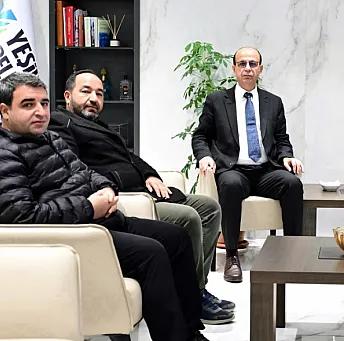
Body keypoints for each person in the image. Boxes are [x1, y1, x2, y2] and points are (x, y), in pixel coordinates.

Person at [0, 73, 207, 341]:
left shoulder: (50, 138)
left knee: (176, 237)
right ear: (5, 110)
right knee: (152, 253)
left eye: (44, 104)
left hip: (100, 222)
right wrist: (88, 207)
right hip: (74, 236)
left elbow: (86, 171)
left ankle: (191, 331)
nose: (40, 112)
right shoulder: (6, 152)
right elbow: (22, 216)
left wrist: (106, 188)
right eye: (28, 105)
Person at [48, 70, 234, 324]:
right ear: (68, 96)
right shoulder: (61, 124)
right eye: (86, 91)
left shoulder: (100, 126)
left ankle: (197, 287)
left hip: (143, 190)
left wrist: (149, 174)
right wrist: (119, 183)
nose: (93, 98)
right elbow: (76, 169)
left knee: (210, 208)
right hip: (123, 198)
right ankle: (192, 298)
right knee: (189, 217)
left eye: (99, 94)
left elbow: (130, 156)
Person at [192, 46, 304, 283]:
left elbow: (282, 139)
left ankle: (293, 253)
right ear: (234, 69)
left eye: (253, 64)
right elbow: (200, 136)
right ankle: (232, 256)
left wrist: (287, 156)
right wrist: (204, 157)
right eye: (242, 64)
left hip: (266, 171)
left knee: (292, 183)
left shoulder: (273, 102)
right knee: (231, 185)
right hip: (233, 170)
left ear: (260, 69)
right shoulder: (216, 101)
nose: (247, 69)